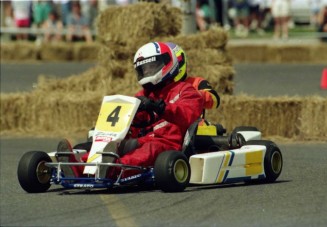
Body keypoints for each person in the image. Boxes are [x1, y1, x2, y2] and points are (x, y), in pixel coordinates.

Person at [56, 42, 204, 179]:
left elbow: (188, 114)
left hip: (168, 143)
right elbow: (135, 122)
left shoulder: (186, 91)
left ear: (167, 63)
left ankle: (114, 169)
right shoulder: (143, 95)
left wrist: (160, 107)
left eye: (151, 67)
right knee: (117, 145)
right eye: (143, 69)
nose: (147, 72)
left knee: (147, 151)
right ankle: (79, 166)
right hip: (143, 139)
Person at [165, 42, 220, 110]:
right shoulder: (159, 87)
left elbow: (215, 101)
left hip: (194, 119)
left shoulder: (197, 82)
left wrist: (194, 95)